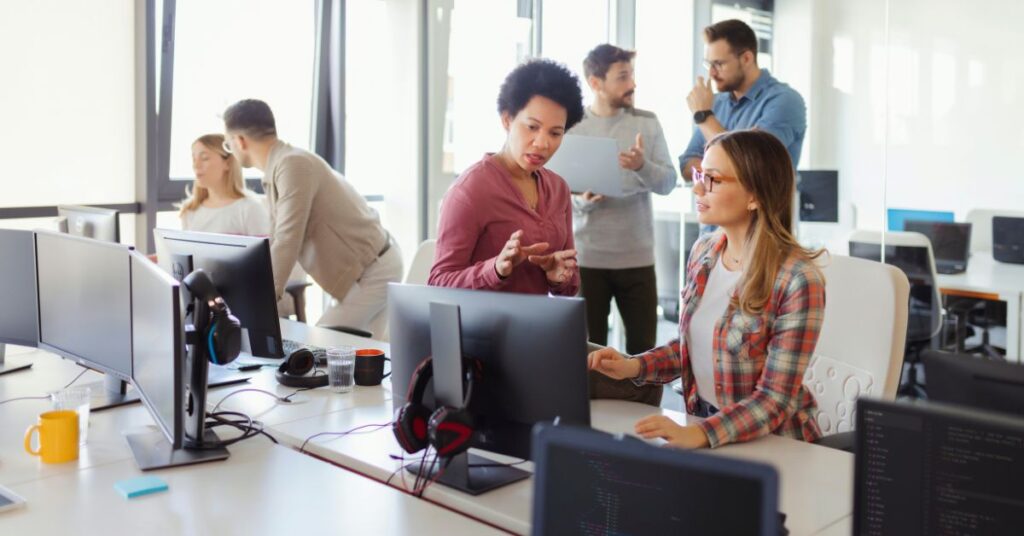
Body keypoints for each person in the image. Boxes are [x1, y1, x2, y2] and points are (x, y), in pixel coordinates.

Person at [589, 129, 826, 449]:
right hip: (706, 426)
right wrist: (632, 366)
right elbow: (693, 345)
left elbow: (775, 400)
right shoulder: (705, 252)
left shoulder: (798, 280)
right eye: (700, 174)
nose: (697, 187)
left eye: (712, 179)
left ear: (755, 195)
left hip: (776, 443)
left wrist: (700, 434)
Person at [222, 99, 402, 339]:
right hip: (369, 268)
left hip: (374, 270)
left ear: (240, 141)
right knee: (359, 364)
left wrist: (259, 305)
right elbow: (278, 241)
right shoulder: (279, 168)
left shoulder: (293, 165)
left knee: (320, 346)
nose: (230, 149)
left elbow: (287, 239)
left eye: (228, 143)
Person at [569, 44, 678, 405]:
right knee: (586, 356)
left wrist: (641, 166)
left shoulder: (647, 122)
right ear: (595, 82)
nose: (632, 83)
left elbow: (668, 183)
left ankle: (644, 431)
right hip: (588, 259)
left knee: (644, 356)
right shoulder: (573, 127)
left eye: (631, 74)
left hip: (637, 259)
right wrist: (580, 203)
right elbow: (559, 189)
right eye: (622, 76)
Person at [429, 59, 583, 296]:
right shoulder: (471, 190)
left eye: (555, 133)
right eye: (532, 127)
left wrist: (558, 276)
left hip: (536, 327)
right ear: (507, 119)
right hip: (483, 329)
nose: (542, 143)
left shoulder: (558, 188)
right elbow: (439, 282)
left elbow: (570, 287)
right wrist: (495, 270)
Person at [678, 19, 807, 179]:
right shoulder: (717, 103)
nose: (711, 73)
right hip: (719, 204)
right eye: (709, 64)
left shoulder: (785, 101)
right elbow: (687, 165)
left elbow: (750, 163)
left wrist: (704, 116)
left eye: (718, 64)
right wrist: (725, 174)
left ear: (746, 58)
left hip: (764, 205)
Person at [179, 133, 270, 235]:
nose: (196, 165)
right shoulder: (190, 210)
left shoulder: (250, 209)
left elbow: (265, 250)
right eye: (194, 159)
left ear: (227, 163)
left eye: (204, 158)